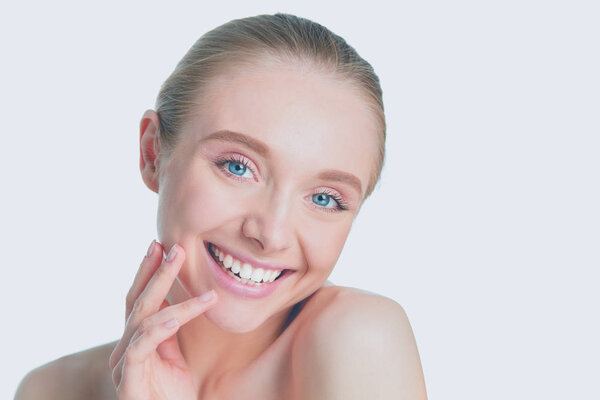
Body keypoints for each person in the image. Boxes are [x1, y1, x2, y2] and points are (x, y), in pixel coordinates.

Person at [15, 13, 427, 399]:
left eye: (324, 198)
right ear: (152, 152)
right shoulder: (50, 389)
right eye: (237, 167)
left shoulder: (360, 336)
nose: (271, 234)